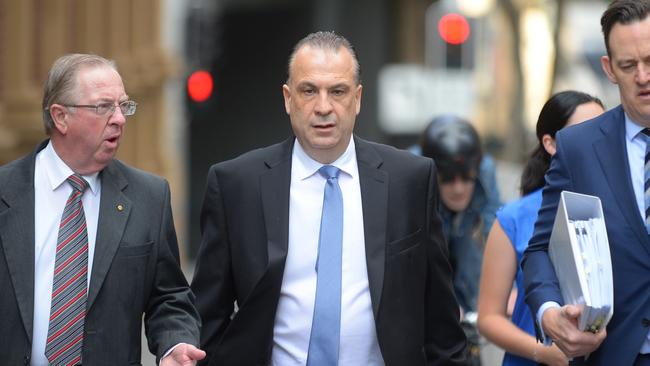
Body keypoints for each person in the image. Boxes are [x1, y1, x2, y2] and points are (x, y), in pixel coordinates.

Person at [191, 31, 467, 365]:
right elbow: (207, 320)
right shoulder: (236, 184)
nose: (324, 107)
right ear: (288, 98)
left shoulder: (409, 180)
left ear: (358, 99)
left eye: (338, 91)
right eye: (309, 91)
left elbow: (442, 325)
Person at [0, 54, 204, 365]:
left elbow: (169, 297)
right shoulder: (6, 191)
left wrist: (174, 344)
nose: (120, 118)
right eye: (103, 107)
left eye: (124, 106)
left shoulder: (149, 196)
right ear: (60, 116)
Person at [522, 1, 650, 364]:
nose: (643, 76)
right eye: (629, 65)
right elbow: (539, 250)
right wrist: (550, 313)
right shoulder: (579, 147)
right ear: (609, 68)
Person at [477, 91, 604, 366]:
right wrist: (544, 352)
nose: (598, 144)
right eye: (584, 133)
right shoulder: (514, 218)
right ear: (550, 143)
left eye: (603, 132)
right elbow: (489, 317)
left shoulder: (623, 209)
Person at [419, 115, 501, 316]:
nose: (458, 189)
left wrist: (509, 289)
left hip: (464, 234)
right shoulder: (413, 171)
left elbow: (497, 233)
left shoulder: (486, 170)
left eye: (467, 178)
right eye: (447, 178)